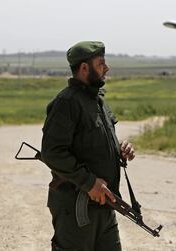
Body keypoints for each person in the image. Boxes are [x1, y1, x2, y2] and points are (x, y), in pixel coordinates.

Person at [41, 41, 135, 251]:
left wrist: (120, 148)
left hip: (104, 204)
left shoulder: (97, 101)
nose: (106, 68)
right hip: (75, 206)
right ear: (84, 68)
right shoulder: (67, 102)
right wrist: (89, 182)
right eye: (101, 63)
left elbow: (93, 139)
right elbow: (52, 152)